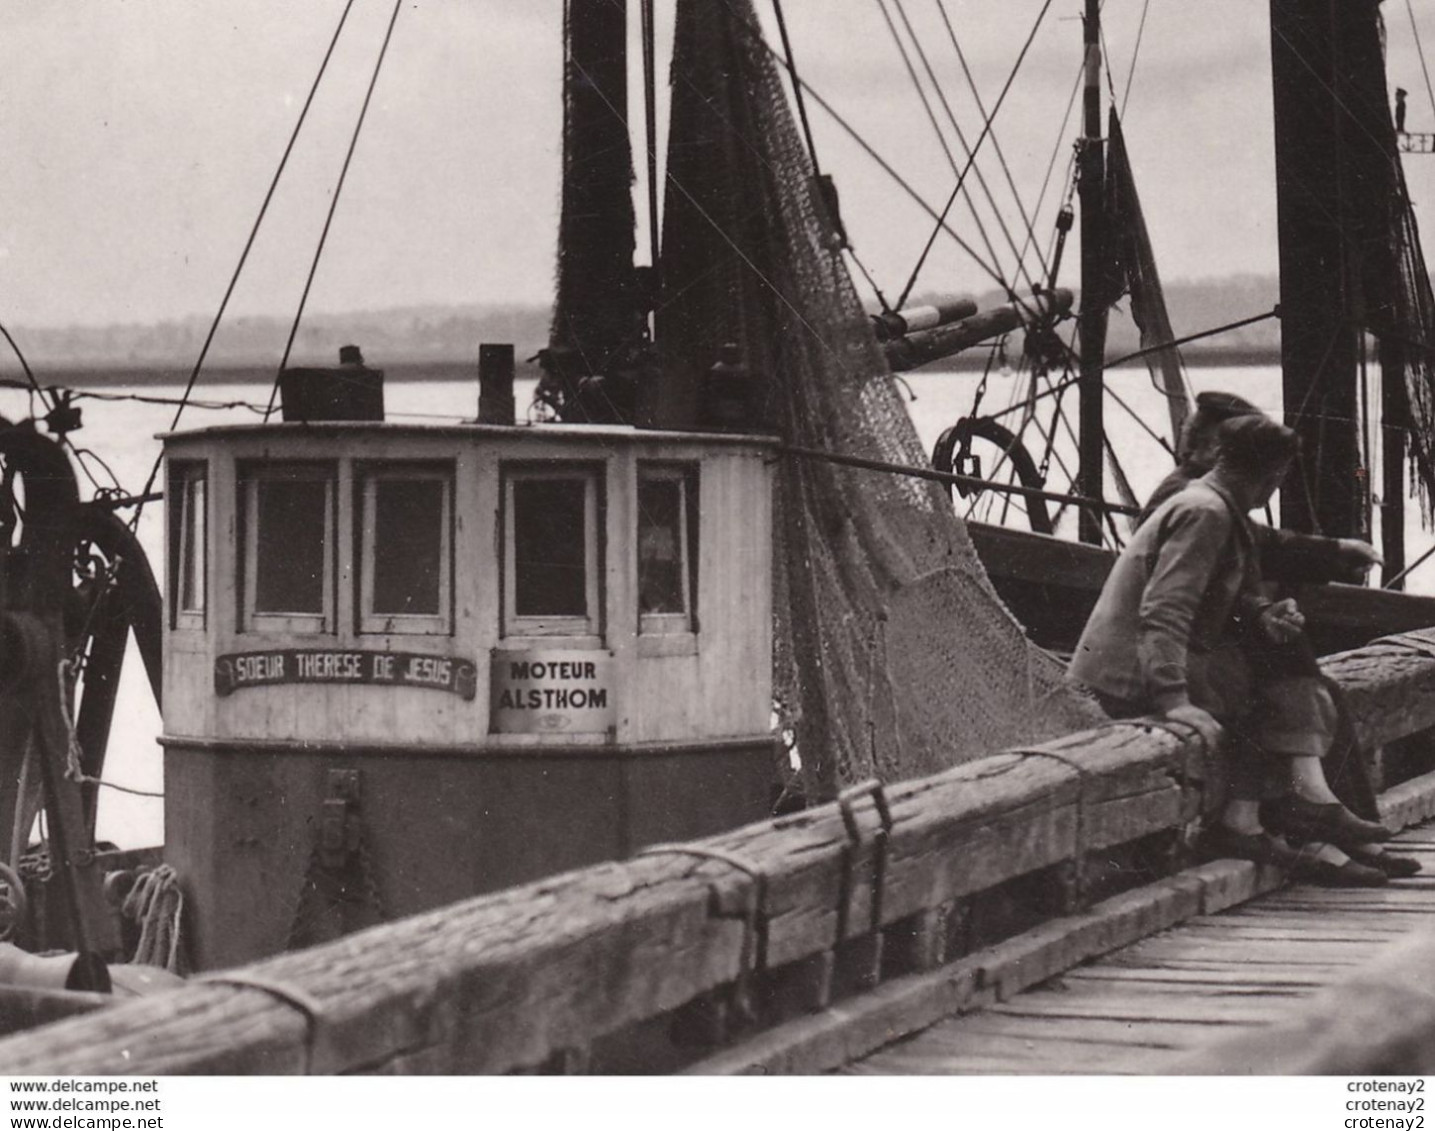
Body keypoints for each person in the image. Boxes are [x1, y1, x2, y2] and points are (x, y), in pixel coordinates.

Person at [1069, 414, 1388, 885]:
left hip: (1136, 663)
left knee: (1291, 666)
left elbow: (1258, 552)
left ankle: (1291, 816)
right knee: (1276, 686)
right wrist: (1173, 700)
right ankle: (1291, 814)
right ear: (1274, 475)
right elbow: (1163, 611)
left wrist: (1280, 600)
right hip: (1124, 677)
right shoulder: (1205, 514)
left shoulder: (1216, 504)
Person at [1142, 393, 1417, 877]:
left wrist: (1329, 553)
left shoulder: (1212, 497)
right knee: (1288, 689)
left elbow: (1255, 551)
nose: (1270, 485)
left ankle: (1334, 824)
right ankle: (1315, 823)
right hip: (1178, 655)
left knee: (1318, 691)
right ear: (1211, 447)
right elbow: (1174, 603)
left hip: (1204, 642)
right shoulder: (1193, 503)